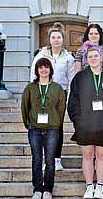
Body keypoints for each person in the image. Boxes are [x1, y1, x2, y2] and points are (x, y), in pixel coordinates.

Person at [67, 44, 103, 199]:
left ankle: (100, 187)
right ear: (86, 59)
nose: (93, 59)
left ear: (101, 57)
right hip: (85, 125)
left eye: (95, 56)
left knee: (102, 155)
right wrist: (78, 121)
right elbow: (73, 102)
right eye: (90, 56)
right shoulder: (80, 77)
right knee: (87, 155)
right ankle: (89, 186)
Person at [30, 22, 75, 171]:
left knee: (57, 127)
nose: (56, 40)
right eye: (54, 37)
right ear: (49, 39)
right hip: (43, 93)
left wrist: (69, 99)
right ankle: (45, 158)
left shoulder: (68, 57)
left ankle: (56, 159)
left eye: (59, 37)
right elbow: (33, 75)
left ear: (63, 39)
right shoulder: (41, 56)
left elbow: (71, 78)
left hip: (60, 94)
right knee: (43, 127)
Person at [22, 57, 66, 199]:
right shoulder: (30, 88)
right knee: (36, 159)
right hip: (34, 129)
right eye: (40, 67)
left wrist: (56, 123)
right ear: (37, 70)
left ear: (50, 70)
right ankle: (37, 189)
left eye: (46, 67)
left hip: (52, 129)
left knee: (50, 160)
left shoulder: (57, 88)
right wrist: (29, 124)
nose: (43, 70)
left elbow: (61, 109)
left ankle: (48, 188)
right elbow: (25, 107)